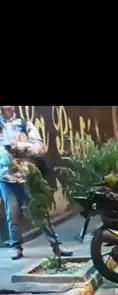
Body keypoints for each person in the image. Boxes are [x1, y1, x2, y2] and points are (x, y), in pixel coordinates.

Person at [0, 105, 72, 261]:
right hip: (5, 179)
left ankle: (56, 245)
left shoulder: (24, 125)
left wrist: (20, 147)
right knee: (12, 216)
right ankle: (16, 247)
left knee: (39, 212)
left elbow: (40, 149)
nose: (5, 108)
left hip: (27, 177)